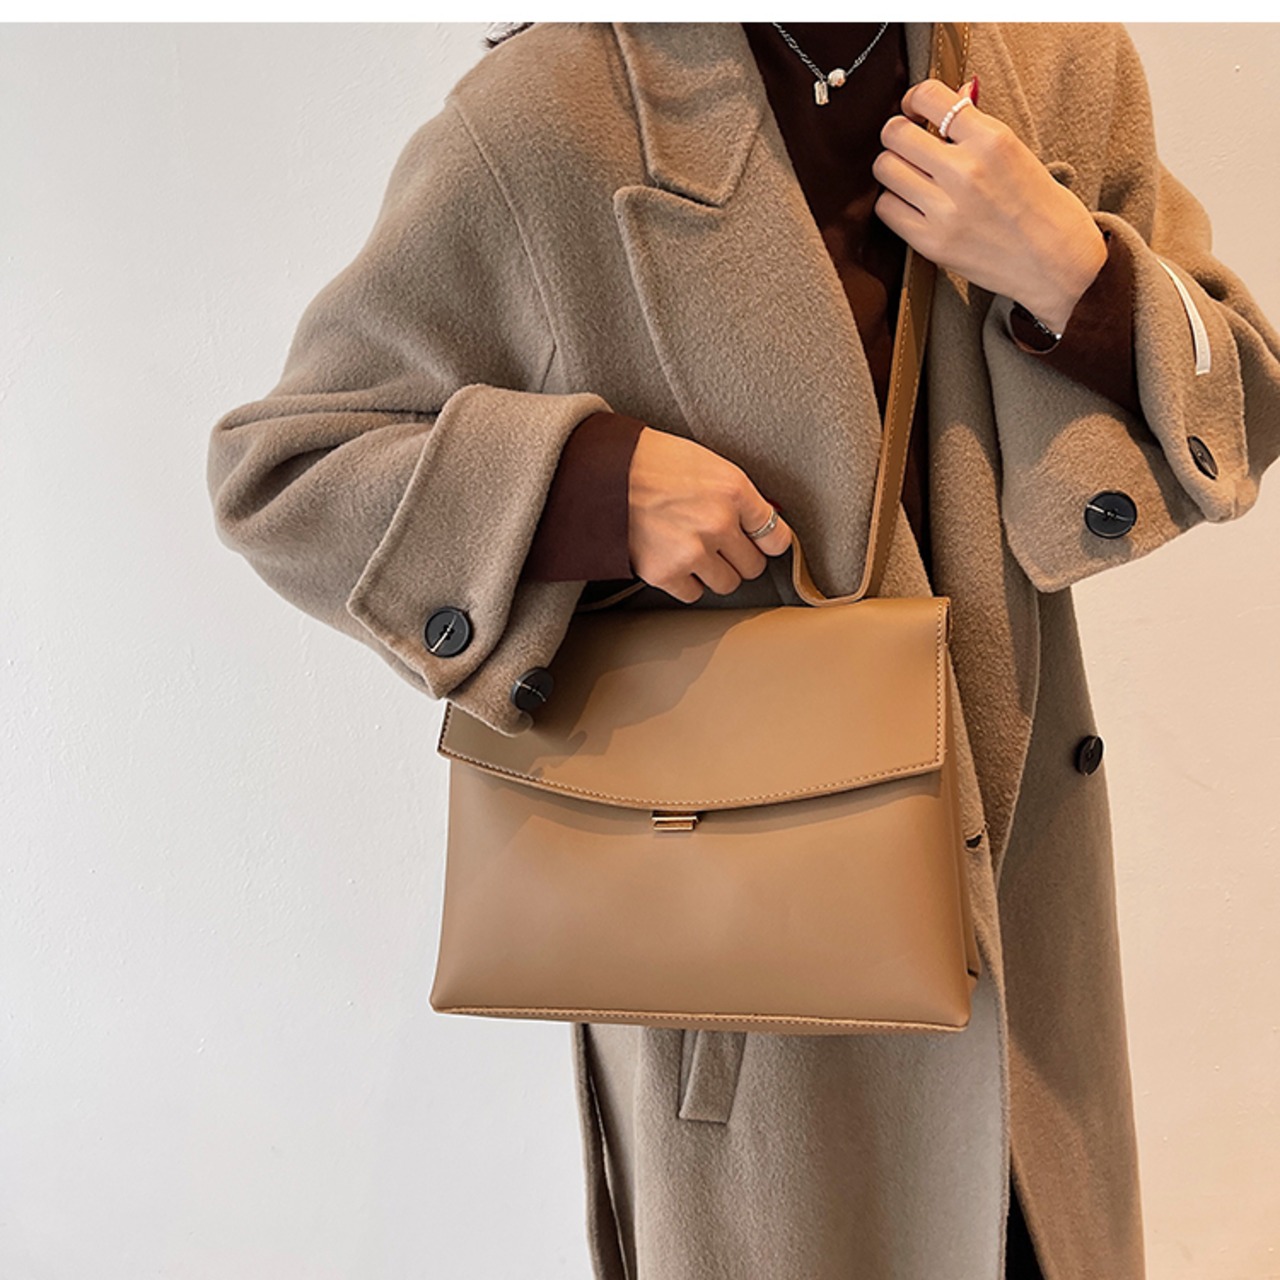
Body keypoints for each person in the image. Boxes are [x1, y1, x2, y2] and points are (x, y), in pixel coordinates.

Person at [206, 22, 1280, 1278]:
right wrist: (592, 488)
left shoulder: (1055, 72)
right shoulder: (553, 109)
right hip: (746, 989)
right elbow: (283, 470)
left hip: (1027, 942)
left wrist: (1073, 274)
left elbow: (1243, 409)